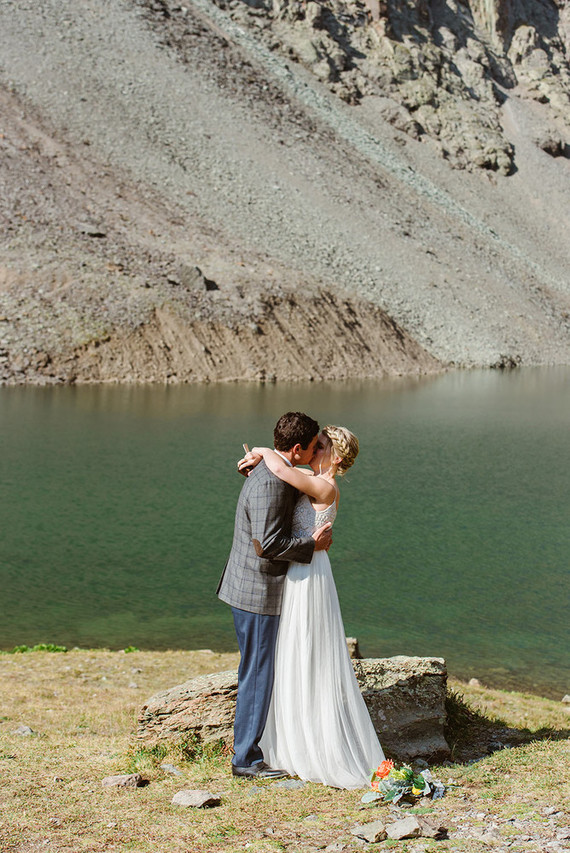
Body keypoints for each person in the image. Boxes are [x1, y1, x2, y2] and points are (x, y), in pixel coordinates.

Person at [240, 426, 385, 788]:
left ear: (336, 457)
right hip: (302, 567)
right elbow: (284, 469)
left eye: (320, 447)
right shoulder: (311, 478)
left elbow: (285, 470)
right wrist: (259, 457)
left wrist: (263, 450)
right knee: (291, 652)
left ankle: (311, 746)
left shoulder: (326, 487)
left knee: (306, 650)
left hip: (308, 575)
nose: (313, 451)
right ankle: (290, 742)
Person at [217, 411, 333, 779]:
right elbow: (267, 544)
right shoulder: (271, 481)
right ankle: (246, 759)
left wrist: (263, 453)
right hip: (257, 591)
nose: (317, 451)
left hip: (252, 587)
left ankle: (252, 747)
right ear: (297, 449)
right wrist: (310, 544)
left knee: (257, 669)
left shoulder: (276, 471)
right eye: (313, 446)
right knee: (258, 672)